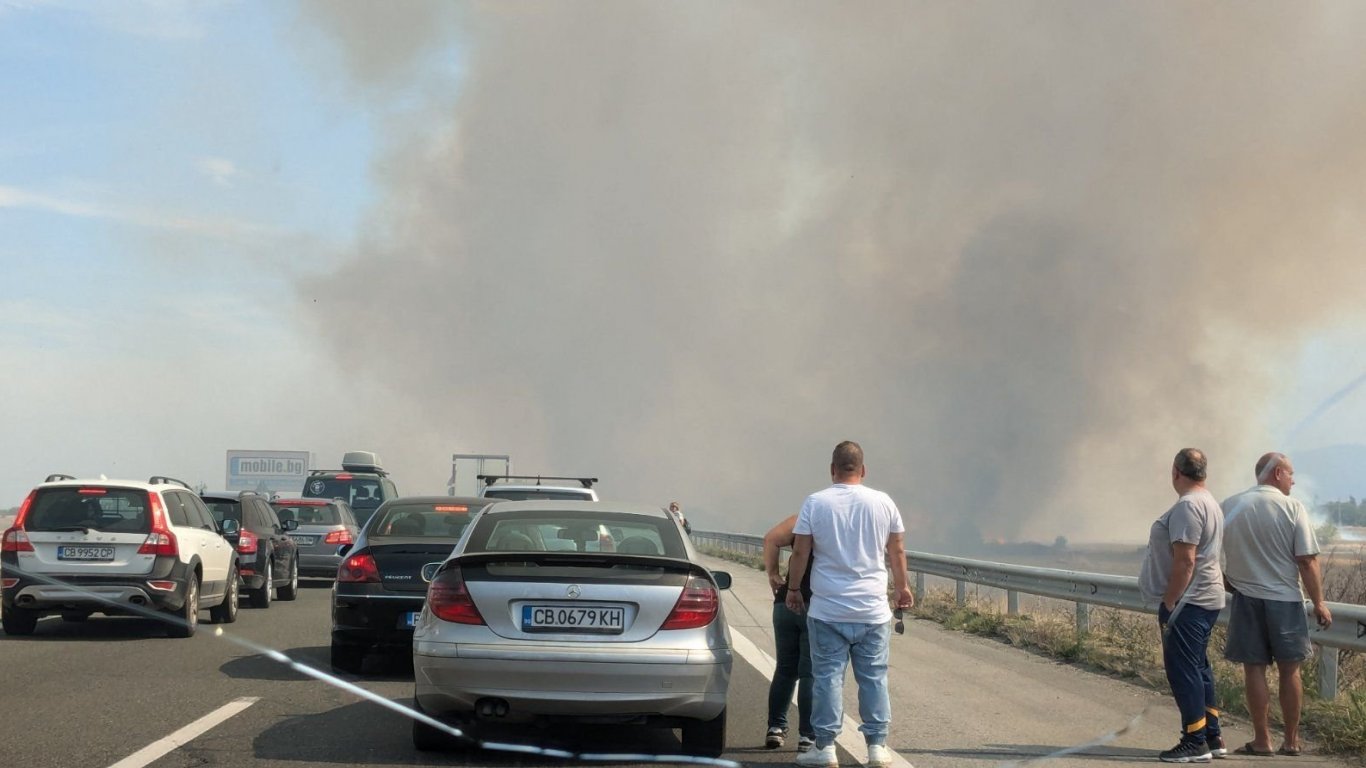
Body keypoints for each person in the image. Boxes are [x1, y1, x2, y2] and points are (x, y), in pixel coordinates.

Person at [784, 441, 912, 768]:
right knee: (874, 677)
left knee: (827, 677)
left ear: (832, 469)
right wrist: (902, 588)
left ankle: (825, 748)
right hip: (872, 610)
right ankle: (877, 748)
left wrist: (794, 589)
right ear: (863, 470)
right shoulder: (884, 502)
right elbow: (896, 551)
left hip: (828, 610)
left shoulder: (816, 503)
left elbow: (800, 552)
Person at [1220, 452, 1332, 757]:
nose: (1293, 480)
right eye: (1291, 474)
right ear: (1278, 473)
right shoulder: (1292, 507)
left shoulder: (1230, 504)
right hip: (1285, 599)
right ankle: (1291, 741)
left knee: (1253, 669)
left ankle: (1262, 740)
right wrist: (1319, 602)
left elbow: (1209, 549)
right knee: (1289, 669)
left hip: (1245, 599)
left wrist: (1226, 579)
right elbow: (1307, 561)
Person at [1138, 448, 1227, 763]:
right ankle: (1212, 735)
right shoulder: (1209, 502)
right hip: (1204, 599)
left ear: (1176, 472)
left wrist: (1171, 599)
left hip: (1188, 602)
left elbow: (1186, 560)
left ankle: (1194, 741)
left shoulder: (1188, 506)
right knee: (1200, 667)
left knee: (1184, 670)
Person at [763, 514, 815, 753]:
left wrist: (773, 573)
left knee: (784, 669)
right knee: (809, 674)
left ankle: (775, 728)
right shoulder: (839, 520)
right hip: (815, 604)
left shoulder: (803, 518)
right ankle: (807, 736)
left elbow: (771, 538)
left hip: (784, 603)